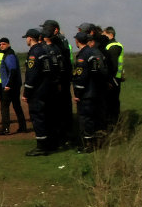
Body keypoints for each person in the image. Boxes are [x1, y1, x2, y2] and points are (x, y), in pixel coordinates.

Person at [22, 28, 59, 156]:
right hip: (46, 89)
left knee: (38, 118)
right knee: (46, 117)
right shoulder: (44, 50)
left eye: (26, 38)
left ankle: (41, 147)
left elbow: (32, 76)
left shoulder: (34, 52)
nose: (26, 40)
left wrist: (26, 92)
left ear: (30, 38)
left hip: (37, 92)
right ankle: (49, 144)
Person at [72, 31, 109, 153]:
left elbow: (81, 76)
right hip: (95, 91)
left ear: (77, 41)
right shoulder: (94, 52)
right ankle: (95, 142)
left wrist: (78, 93)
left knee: (85, 119)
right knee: (92, 118)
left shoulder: (83, 55)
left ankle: (87, 145)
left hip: (86, 93)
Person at [41, 19, 74, 147]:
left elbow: (62, 63)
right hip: (61, 79)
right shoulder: (62, 41)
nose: (44, 33)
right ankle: (63, 136)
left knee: (61, 110)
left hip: (60, 81)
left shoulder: (59, 44)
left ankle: (63, 138)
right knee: (61, 110)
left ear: (55, 30)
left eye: (47, 30)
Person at [0, 38, 28, 135]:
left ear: (8, 44)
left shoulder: (9, 56)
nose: (1, 46)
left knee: (5, 107)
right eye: (0, 44)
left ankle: (5, 128)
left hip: (9, 86)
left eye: (4, 44)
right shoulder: (9, 54)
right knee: (16, 105)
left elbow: (13, 71)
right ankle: (23, 126)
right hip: (14, 84)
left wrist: (8, 85)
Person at [102, 26, 124, 125]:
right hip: (116, 77)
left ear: (110, 35)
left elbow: (113, 65)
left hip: (114, 79)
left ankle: (113, 123)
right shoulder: (110, 45)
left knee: (112, 102)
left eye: (104, 34)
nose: (103, 36)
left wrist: (110, 80)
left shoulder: (113, 46)